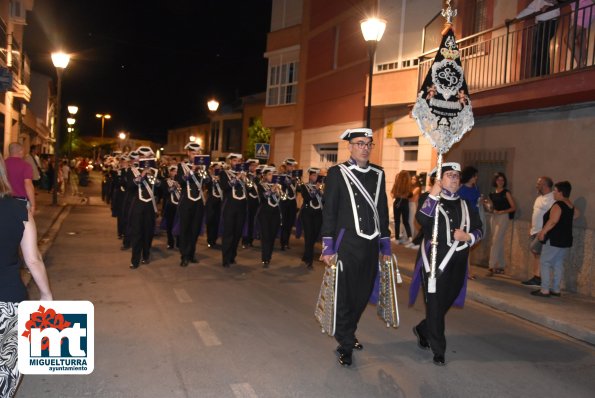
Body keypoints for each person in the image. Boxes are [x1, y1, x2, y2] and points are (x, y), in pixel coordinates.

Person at [320, 127, 391, 367]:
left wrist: (386, 246)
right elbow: (329, 211)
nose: (364, 147)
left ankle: (349, 331)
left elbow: (382, 210)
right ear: (350, 146)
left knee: (361, 295)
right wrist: (328, 246)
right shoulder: (337, 173)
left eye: (368, 143)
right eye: (360, 143)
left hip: (370, 245)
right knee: (345, 295)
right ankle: (346, 342)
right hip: (347, 244)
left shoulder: (378, 174)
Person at [409, 162, 483, 366]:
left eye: (457, 175)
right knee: (434, 306)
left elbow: (480, 230)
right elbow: (422, 219)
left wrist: (466, 236)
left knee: (443, 305)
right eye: (449, 175)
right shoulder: (429, 199)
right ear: (440, 180)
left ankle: (423, 329)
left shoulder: (466, 204)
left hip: (458, 264)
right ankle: (438, 349)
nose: (455, 179)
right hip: (434, 264)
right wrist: (434, 190)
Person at [0, 152, 53, 398]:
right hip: (8, 301)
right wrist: (46, 294)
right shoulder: (18, 209)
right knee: (8, 368)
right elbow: (33, 259)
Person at [531, 181, 579, 297]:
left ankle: (545, 290)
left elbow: (553, 221)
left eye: (555, 190)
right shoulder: (570, 205)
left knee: (545, 262)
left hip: (554, 239)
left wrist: (543, 232)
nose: (553, 192)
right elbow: (575, 215)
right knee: (558, 263)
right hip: (565, 240)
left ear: (561, 193)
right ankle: (556, 289)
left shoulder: (558, 205)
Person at [128, 146, 161, 269]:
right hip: (137, 206)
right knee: (137, 233)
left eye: (148, 157)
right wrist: (142, 175)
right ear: (139, 157)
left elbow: (159, 187)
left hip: (150, 207)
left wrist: (154, 178)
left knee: (148, 233)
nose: (145, 159)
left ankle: (146, 255)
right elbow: (130, 186)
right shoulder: (133, 170)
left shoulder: (155, 171)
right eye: (143, 157)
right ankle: (134, 260)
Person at [176, 142, 207, 267]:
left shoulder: (202, 167)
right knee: (185, 230)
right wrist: (192, 170)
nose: (196, 156)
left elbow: (207, 181)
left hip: (198, 202)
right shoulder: (181, 166)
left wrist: (204, 172)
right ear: (188, 153)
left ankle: (191, 254)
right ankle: (184, 256)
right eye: (193, 153)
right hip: (186, 202)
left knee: (195, 230)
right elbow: (180, 181)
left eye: (198, 154)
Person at [522, 176, 555, 286]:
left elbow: (553, 217)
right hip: (534, 231)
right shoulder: (539, 198)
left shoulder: (552, 198)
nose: (537, 185)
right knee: (536, 254)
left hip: (542, 232)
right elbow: (535, 214)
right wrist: (531, 228)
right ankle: (537, 277)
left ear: (545, 185)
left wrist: (543, 231)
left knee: (538, 253)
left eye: (539, 183)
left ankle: (539, 278)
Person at [515, 0, 560, 77]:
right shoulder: (537, 1)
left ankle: (543, 74)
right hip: (540, 24)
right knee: (538, 50)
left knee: (542, 49)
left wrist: (550, 5)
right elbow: (528, 10)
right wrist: (515, 19)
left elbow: (558, 2)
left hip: (549, 23)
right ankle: (539, 74)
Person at [219, 153, 248, 268]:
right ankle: (225, 259)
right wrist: (237, 178)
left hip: (241, 207)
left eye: (239, 161)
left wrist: (245, 178)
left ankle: (232, 256)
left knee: (237, 234)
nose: (237, 163)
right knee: (228, 234)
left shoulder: (244, 174)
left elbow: (250, 188)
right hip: (229, 207)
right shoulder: (224, 173)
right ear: (230, 161)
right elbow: (225, 187)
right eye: (235, 160)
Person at [486, 172, 516, 275]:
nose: (500, 182)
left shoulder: (506, 193)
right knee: (497, 241)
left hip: (503, 216)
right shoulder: (492, 193)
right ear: (495, 181)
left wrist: (502, 212)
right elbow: (491, 207)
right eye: (498, 180)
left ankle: (491, 266)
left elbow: (513, 207)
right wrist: (488, 206)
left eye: (502, 180)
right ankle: (501, 265)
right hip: (494, 216)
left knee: (496, 241)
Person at [298, 167, 324, 269]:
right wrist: (316, 190)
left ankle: (306, 254)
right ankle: (309, 259)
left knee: (314, 236)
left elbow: (324, 200)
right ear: (310, 176)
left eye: (317, 176)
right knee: (308, 235)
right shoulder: (304, 186)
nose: (316, 177)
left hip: (318, 214)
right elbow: (308, 198)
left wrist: (322, 190)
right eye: (314, 175)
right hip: (307, 214)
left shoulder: (321, 186)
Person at [256, 166, 282, 268]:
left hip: (275, 213)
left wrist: (278, 190)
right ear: (265, 175)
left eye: (273, 174)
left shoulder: (278, 186)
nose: (272, 176)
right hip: (264, 214)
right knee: (265, 236)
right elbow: (263, 197)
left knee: (272, 236)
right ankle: (265, 258)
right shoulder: (261, 185)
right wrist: (272, 190)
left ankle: (268, 256)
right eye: (270, 174)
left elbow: (282, 198)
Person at [4, 142, 36, 213]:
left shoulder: (3, 164)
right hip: (20, 202)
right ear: (21, 151)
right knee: (23, 224)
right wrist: (33, 205)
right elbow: (28, 185)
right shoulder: (26, 166)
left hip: (4, 200)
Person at [280, 158, 299, 250]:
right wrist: (292, 180)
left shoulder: (295, 177)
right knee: (284, 223)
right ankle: (283, 243)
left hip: (292, 202)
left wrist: (299, 183)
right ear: (286, 166)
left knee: (290, 223)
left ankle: (287, 242)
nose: (291, 167)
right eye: (290, 165)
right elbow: (285, 185)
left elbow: (298, 190)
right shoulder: (282, 176)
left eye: (293, 166)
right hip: (284, 202)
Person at [242, 159, 261, 248]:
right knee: (247, 221)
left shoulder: (257, 177)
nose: (254, 167)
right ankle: (245, 241)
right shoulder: (245, 176)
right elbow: (248, 188)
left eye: (255, 165)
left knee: (253, 221)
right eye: (252, 165)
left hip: (255, 201)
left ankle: (250, 240)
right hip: (248, 201)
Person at [391, 170, 412, 245]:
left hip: (397, 202)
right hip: (405, 202)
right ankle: (410, 237)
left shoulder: (397, 184)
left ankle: (397, 238)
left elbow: (392, 193)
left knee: (397, 221)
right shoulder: (409, 185)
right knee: (406, 221)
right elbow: (410, 195)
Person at [406, 174, 422, 249]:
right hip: (408, 204)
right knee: (407, 221)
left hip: (412, 205)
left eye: (414, 179)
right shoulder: (410, 187)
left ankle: (412, 238)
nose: (413, 181)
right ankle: (408, 236)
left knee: (411, 221)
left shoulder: (417, 188)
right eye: (412, 179)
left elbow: (411, 195)